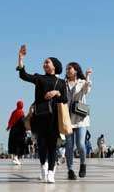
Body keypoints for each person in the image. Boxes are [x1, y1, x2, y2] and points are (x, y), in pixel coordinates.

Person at [16, 44, 68, 184]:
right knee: (41, 145)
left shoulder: (61, 82)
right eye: (44, 62)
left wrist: (56, 92)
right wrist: (21, 59)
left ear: (55, 66)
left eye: (47, 62)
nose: (44, 64)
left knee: (52, 146)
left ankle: (51, 172)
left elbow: (65, 99)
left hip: (54, 118)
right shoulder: (39, 78)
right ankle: (43, 166)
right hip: (39, 116)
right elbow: (23, 75)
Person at [64, 62, 93, 180]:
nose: (67, 70)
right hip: (68, 118)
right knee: (69, 146)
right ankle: (70, 170)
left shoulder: (82, 82)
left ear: (75, 70)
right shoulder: (63, 83)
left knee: (80, 144)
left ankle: (83, 164)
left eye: (69, 68)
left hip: (80, 118)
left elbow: (87, 90)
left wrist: (87, 76)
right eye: (66, 69)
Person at [6, 100, 26, 165]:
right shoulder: (21, 112)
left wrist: (8, 127)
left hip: (13, 131)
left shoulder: (14, 112)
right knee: (18, 145)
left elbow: (10, 120)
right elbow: (23, 122)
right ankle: (16, 158)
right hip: (19, 131)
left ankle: (15, 158)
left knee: (14, 144)